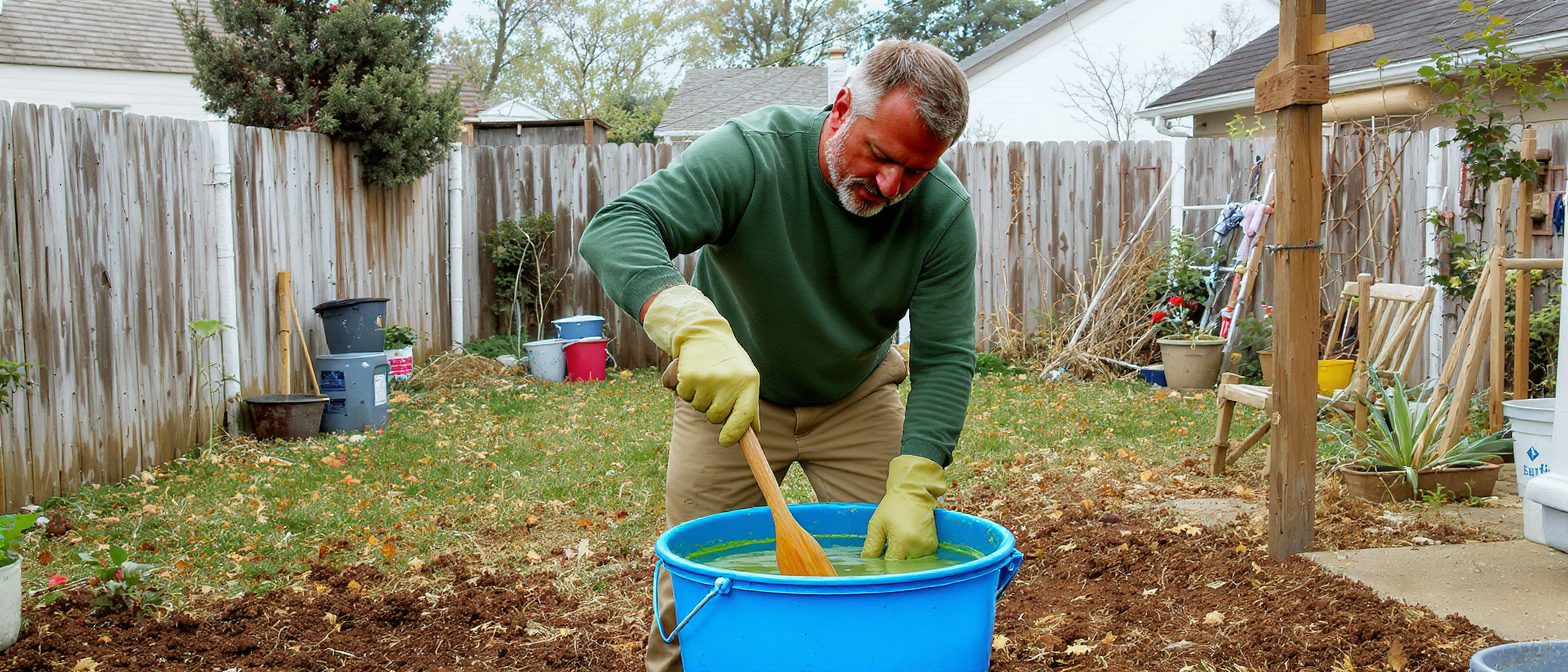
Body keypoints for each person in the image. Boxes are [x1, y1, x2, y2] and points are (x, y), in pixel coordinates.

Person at [578, 39, 976, 672]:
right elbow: (619, 226)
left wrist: (919, 476)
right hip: (730, 405)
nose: (891, 184)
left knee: (897, 573)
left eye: (917, 171)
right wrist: (690, 323)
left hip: (856, 397)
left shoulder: (942, 213)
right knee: (695, 595)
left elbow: (947, 355)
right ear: (842, 107)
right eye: (879, 155)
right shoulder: (754, 154)